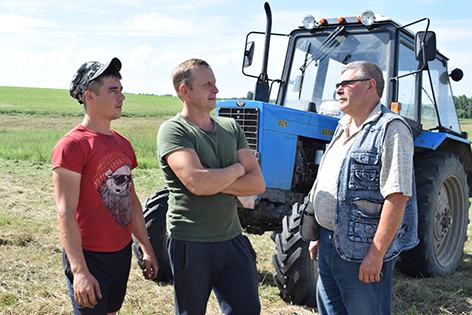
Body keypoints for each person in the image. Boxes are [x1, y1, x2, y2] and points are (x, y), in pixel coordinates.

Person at [307, 61, 419, 314]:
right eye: (338, 84)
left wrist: (376, 255)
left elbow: (398, 196)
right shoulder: (342, 126)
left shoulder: (391, 129)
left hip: (361, 250)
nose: (338, 89)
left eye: (346, 83)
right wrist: (318, 232)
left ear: (370, 86)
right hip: (328, 243)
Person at [157, 58, 265, 315]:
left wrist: (212, 180)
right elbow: (197, 183)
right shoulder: (173, 130)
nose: (215, 90)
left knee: (248, 310)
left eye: (215, 83)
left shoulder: (230, 127)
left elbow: (258, 183)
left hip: (232, 238)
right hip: (191, 240)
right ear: (185, 91)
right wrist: (238, 170)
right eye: (206, 84)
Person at [52, 57, 158, 315]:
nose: (121, 97)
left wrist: (146, 247)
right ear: (89, 96)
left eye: (121, 90)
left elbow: (130, 201)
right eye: (113, 91)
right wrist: (79, 271)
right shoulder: (72, 146)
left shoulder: (123, 143)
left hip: (120, 254)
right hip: (90, 257)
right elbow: (65, 211)